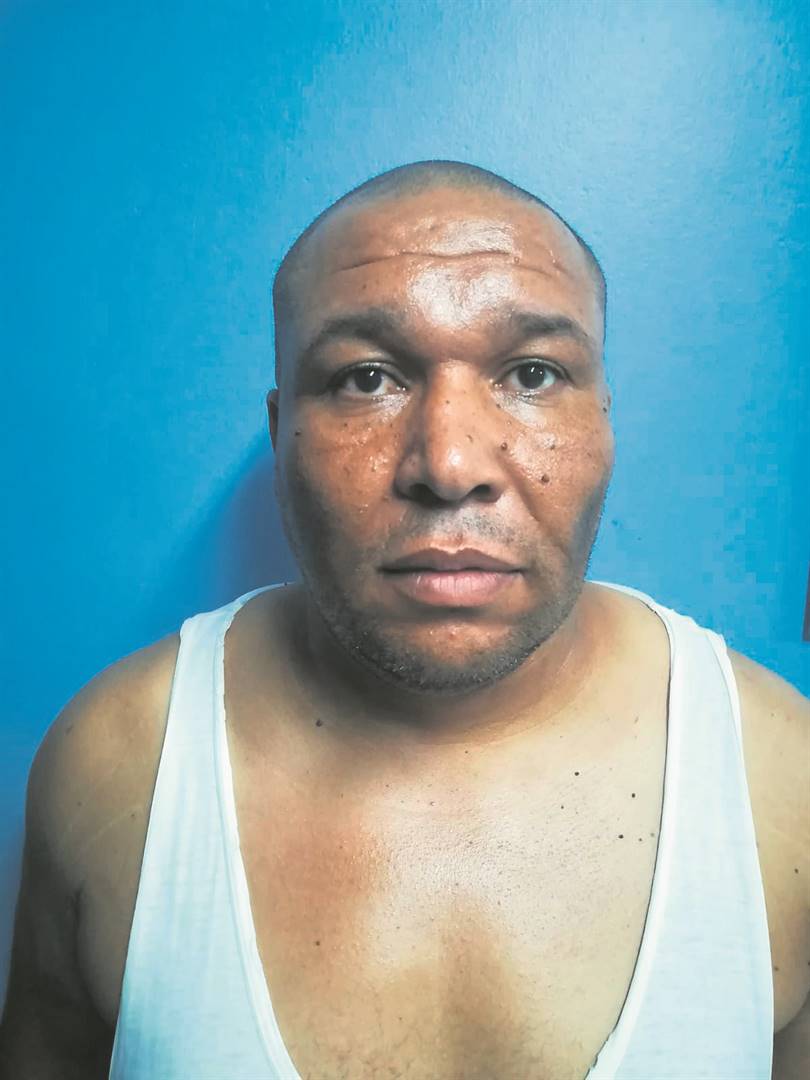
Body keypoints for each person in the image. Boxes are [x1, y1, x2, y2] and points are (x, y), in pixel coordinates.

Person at [1, 160, 807, 1080]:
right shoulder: (114, 767)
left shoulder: (782, 779)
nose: (450, 463)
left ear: (605, 423)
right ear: (279, 432)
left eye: (532, 373)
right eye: (365, 378)